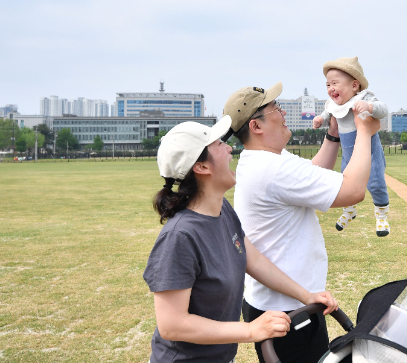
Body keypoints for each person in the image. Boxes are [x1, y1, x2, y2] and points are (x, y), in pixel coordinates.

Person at [143, 116, 338, 363]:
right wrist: (250, 330)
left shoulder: (222, 209)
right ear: (202, 167)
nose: (230, 148)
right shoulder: (180, 237)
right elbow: (173, 325)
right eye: (218, 145)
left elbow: (252, 259)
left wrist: (306, 295)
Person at [222, 82, 379, 363]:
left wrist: (333, 137)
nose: (282, 113)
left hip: (278, 304)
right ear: (256, 126)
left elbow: (312, 173)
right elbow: (353, 190)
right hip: (290, 313)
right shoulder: (273, 168)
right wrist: (365, 132)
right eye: (275, 109)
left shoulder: (262, 158)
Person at [312, 56, 390, 236]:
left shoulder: (364, 97)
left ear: (354, 86)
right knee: (344, 183)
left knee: (376, 182)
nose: (330, 89)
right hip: (348, 152)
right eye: (327, 85)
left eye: (335, 83)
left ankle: (382, 217)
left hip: (369, 152)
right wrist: (320, 119)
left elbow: (383, 109)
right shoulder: (334, 104)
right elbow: (328, 114)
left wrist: (369, 107)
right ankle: (349, 212)